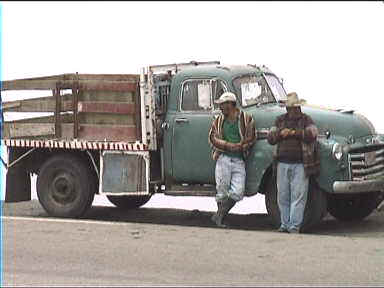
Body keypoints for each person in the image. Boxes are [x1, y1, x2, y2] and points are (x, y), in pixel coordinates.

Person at [267, 92, 320, 233]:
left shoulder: (306, 120)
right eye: (291, 107)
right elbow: (270, 138)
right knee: (283, 196)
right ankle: (285, 224)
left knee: (298, 196)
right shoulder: (279, 120)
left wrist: (292, 133)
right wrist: (280, 134)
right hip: (282, 163)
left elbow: (313, 134)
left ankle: (294, 226)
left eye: (295, 107)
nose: (294, 110)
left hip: (301, 164)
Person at [208, 92, 256, 228]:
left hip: (239, 159)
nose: (221, 108)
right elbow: (212, 138)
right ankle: (220, 219)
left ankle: (218, 216)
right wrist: (228, 145)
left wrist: (241, 146)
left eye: (222, 105)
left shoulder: (247, 119)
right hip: (223, 157)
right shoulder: (218, 120)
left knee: (238, 192)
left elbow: (252, 137)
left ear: (230, 104)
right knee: (222, 190)